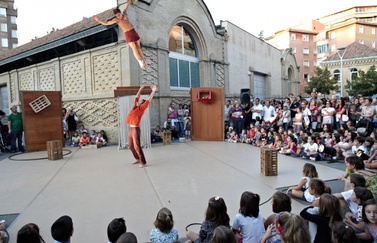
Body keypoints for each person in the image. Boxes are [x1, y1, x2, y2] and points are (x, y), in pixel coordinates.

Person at [93, 2, 147, 69]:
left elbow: (128, 5)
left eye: (119, 14)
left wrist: (129, 2)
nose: (118, 16)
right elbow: (106, 23)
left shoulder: (124, 14)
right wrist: (99, 20)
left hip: (133, 32)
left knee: (138, 48)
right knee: (134, 49)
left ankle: (144, 61)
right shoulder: (116, 20)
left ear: (121, 13)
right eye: (117, 15)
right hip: (128, 34)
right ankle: (140, 63)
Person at [125, 84, 157, 168]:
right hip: (130, 128)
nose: (139, 101)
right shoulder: (135, 107)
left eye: (141, 102)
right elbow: (137, 96)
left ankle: (143, 162)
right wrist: (140, 88)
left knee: (137, 146)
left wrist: (153, 91)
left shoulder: (142, 108)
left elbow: (149, 100)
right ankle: (137, 158)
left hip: (135, 129)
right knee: (131, 146)